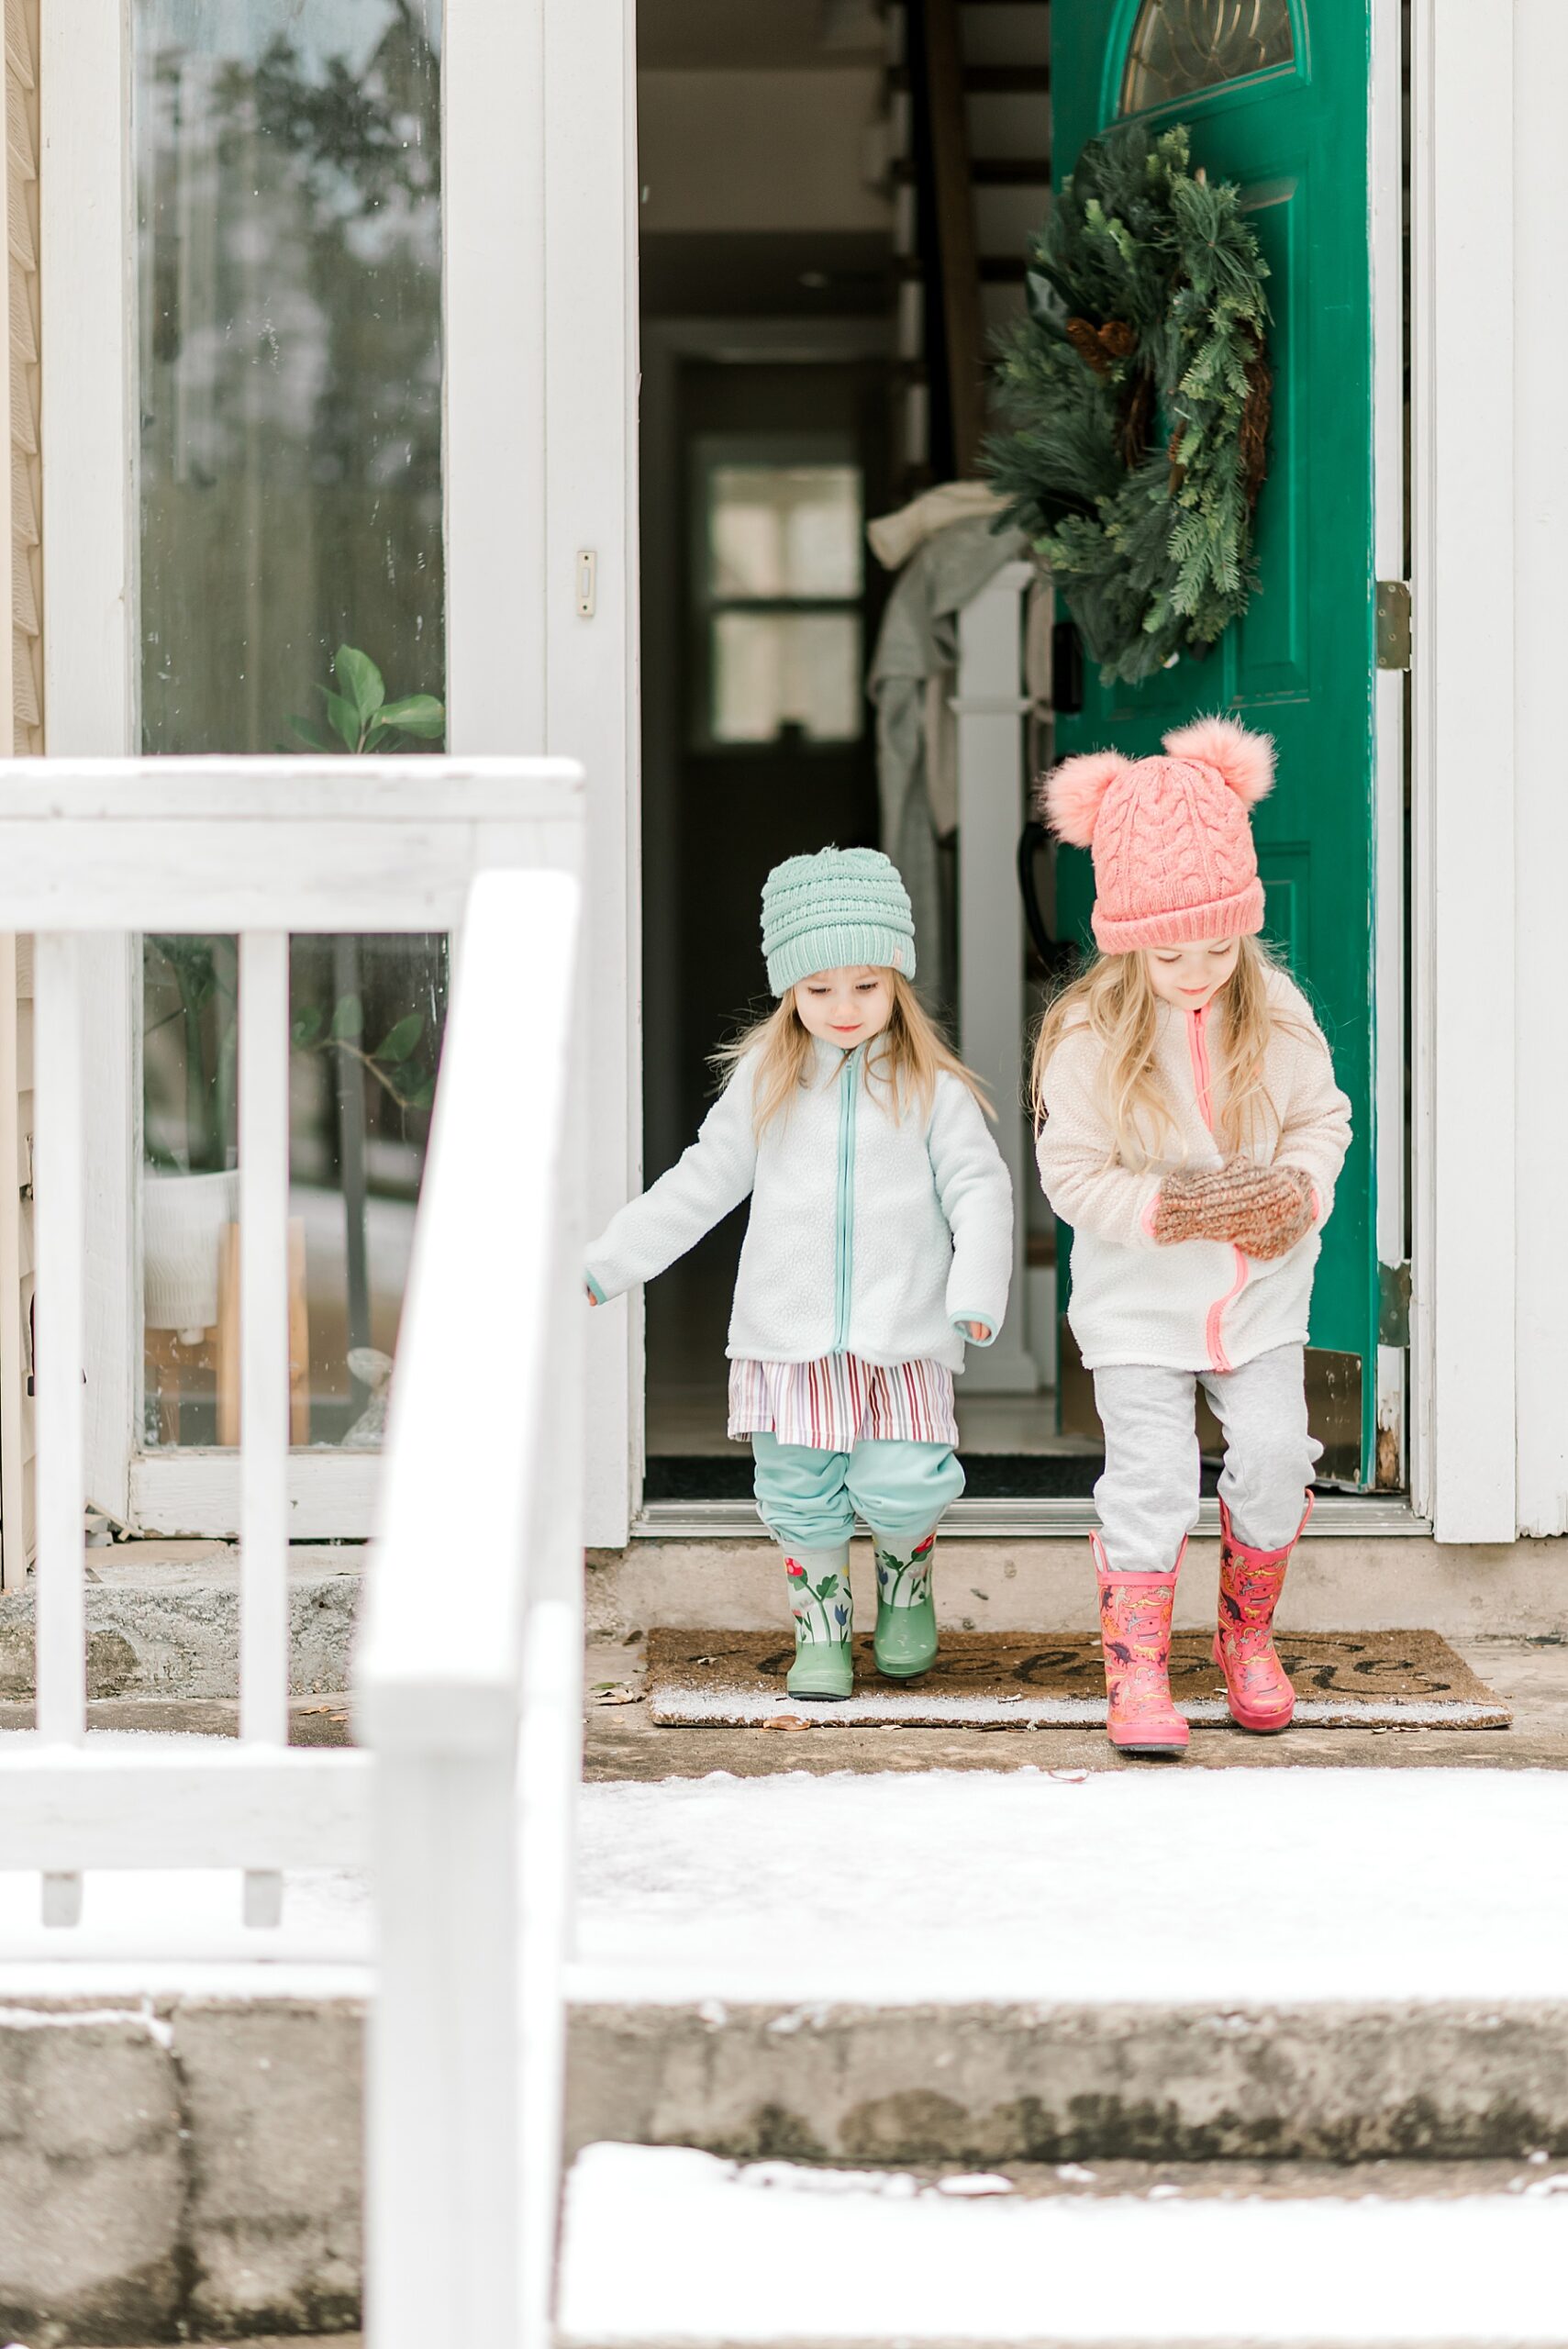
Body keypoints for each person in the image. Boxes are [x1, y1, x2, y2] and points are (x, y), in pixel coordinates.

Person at [586, 846, 1013, 1699]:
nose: (844, 1008)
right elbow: (702, 1181)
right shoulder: (765, 1079)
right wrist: (609, 1262)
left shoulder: (931, 1086)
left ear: (898, 977)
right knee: (797, 1488)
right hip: (788, 1336)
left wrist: (973, 1288)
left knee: (904, 1481)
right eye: (819, 990)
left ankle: (904, 1591)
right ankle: (820, 1631)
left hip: (902, 1330)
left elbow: (980, 1188)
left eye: (866, 984)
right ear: (789, 989)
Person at [1032, 717, 1351, 1757]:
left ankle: (1244, 1634)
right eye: (1170, 950)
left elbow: (1322, 1119)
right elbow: (1069, 1174)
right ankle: (1135, 1667)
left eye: (1219, 943)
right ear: (1124, 937)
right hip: (1136, 1308)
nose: (1198, 967)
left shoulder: (1276, 1010)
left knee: (1268, 1457)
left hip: (1257, 1300)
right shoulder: (1089, 1035)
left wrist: (1298, 1191)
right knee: (1155, 1474)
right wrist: (1170, 1210)